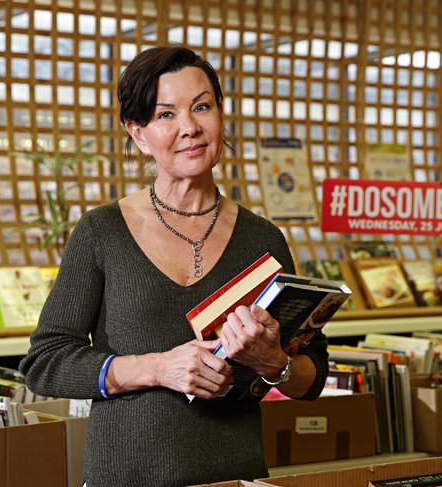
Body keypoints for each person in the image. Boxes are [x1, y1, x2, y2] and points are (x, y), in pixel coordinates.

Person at [19, 46, 329, 487]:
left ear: (221, 115)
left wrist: (273, 361)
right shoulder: (101, 232)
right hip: (124, 478)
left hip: (235, 478)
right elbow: (46, 362)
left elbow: (312, 376)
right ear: (139, 133)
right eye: (166, 114)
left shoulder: (264, 240)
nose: (190, 127)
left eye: (202, 106)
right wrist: (158, 368)